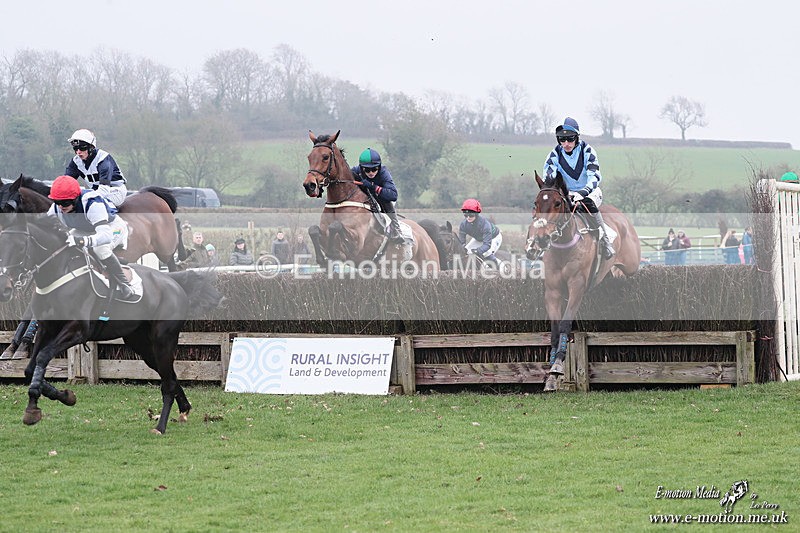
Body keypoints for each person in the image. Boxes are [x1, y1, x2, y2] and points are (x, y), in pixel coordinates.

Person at [47, 175, 136, 301]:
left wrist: (82, 241)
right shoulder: (55, 208)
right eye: (57, 202)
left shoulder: (91, 202)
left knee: (100, 249)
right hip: (85, 230)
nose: (61, 206)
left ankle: (124, 284)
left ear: (76, 198)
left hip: (111, 227)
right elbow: (46, 228)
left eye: (65, 202)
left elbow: (105, 235)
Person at [542, 117, 614, 259]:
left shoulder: (588, 151)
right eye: (562, 140)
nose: (566, 143)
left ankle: (605, 241)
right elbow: (549, 178)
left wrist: (583, 192)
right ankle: (543, 243)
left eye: (570, 139)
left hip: (590, 191)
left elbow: (595, 177)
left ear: (577, 138)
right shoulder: (553, 155)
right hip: (566, 194)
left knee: (588, 204)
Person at [351, 148, 404, 244]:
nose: (371, 172)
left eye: (374, 169)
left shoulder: (384, 173)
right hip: (366, 196)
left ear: (379, 167)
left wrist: (373, 186)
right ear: (362, 168)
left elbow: (393, 195)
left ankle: (397, 229)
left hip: (384, 198)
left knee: (385, 200)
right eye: (367, 170)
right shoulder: (356, 170)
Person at [64, 129, 127, 208]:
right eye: (76, 148)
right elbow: (65, 183)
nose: (78, 152)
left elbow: (104, 190)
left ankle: (113, 219)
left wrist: (84, 196)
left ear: (91, 147)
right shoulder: (76, 161)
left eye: (82, 148)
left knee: (92, 204)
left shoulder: (103, 159)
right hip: (96, 191)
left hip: (114, 191)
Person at [457, 198, 502, 265]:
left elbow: (487, 245)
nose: (468, 217)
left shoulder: (485, 224)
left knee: (485, 253)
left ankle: (502, 267)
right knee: (465, 252)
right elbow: (461, 243)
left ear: (477, 214)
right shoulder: (463, 225)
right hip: (478, 239)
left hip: (494, 238)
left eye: (471, 215)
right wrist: (463, 248)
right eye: (466, 215)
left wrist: (477, 251)